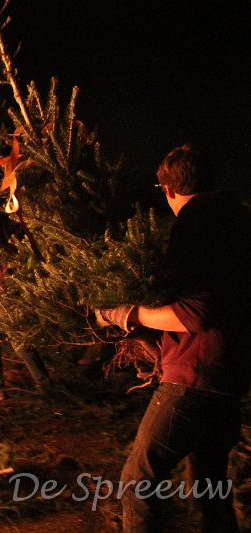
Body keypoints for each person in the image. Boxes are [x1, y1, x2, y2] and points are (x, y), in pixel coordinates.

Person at [96, 145, 250, 532]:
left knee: (137, 480)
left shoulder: (196, 223)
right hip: (230, 377)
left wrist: (128, 314)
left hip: (194, 380)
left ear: (167, 189)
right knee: (209, 490)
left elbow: (194, 314)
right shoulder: (238, 221)